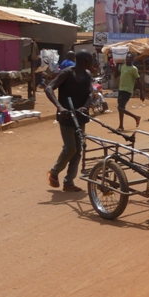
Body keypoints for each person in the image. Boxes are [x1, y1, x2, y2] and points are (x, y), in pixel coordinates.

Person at [45, 51, 94, 192]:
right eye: (91, 59)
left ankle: (69, 182)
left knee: (78, 149)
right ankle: (54, 172)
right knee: (70, 147)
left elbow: (91, 93)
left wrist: (86, 106)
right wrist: (60, 107)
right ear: (85, 60)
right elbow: (49, 88)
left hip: (80, 116)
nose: (93, 63)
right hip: (66, 116)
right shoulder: (66, 73)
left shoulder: (87, 75)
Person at [115, 54, 142, 130]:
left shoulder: (134, 69)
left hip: (128, 90)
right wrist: (117, 65)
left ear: (133, 59)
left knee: (120, 107)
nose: (128, 58)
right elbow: (115, 75)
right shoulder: (122, 66)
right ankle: (122, 125)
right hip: (121, 89)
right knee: (120, 108)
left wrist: (141, 93)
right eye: (127, 57)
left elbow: (138, 81)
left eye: (130, 57)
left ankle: (133, 118)